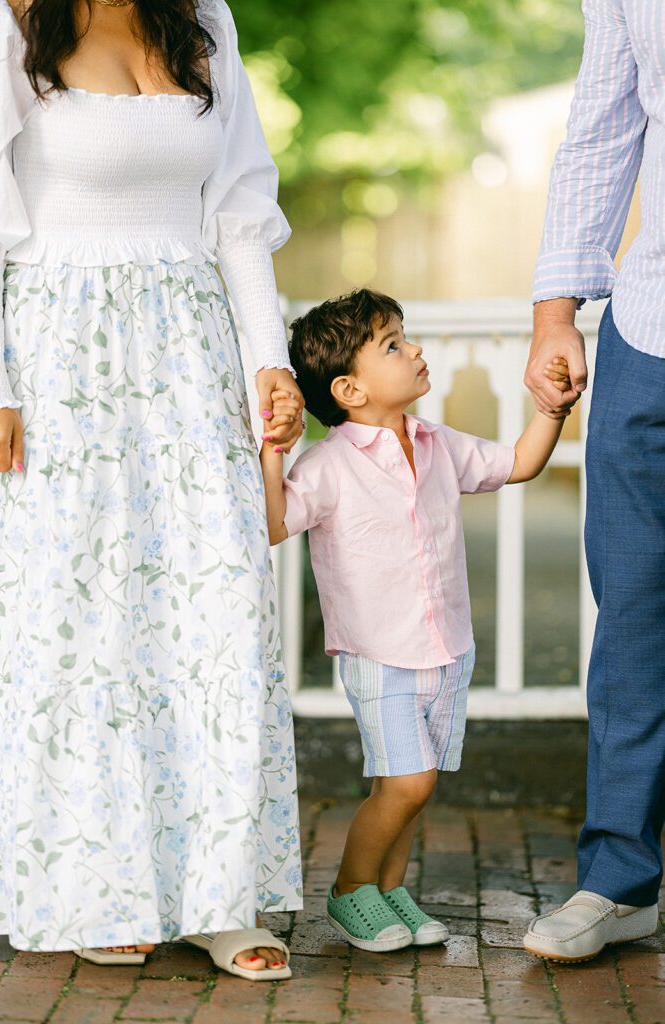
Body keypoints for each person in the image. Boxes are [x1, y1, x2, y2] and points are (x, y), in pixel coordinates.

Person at [0, 0, 305, 981]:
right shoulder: (8, 22)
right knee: (86, 624)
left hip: (191, 345)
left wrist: (270, 363)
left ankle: (221, 894)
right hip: (58, 355)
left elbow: (242, 211)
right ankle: (98, 885)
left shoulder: (203, 20)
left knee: (220, 610)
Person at [259, 289, 568, 952]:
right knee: (408, 780)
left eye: (406, 337)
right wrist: (270, 452)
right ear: (349, 388)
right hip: (379, 652)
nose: (415, 349)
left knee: (409, 783)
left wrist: (550, 410)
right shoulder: (330, 463)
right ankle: (347, 891)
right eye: (393, 345)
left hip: (446, 647)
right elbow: (275, 522)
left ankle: (387, 890)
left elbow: (517, 463)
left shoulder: (436, 443)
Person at [523, 0, 663, 963]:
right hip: (651, 331)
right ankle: (618, 877)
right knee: (635, 615)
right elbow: (603, 126)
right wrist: (553, 310)